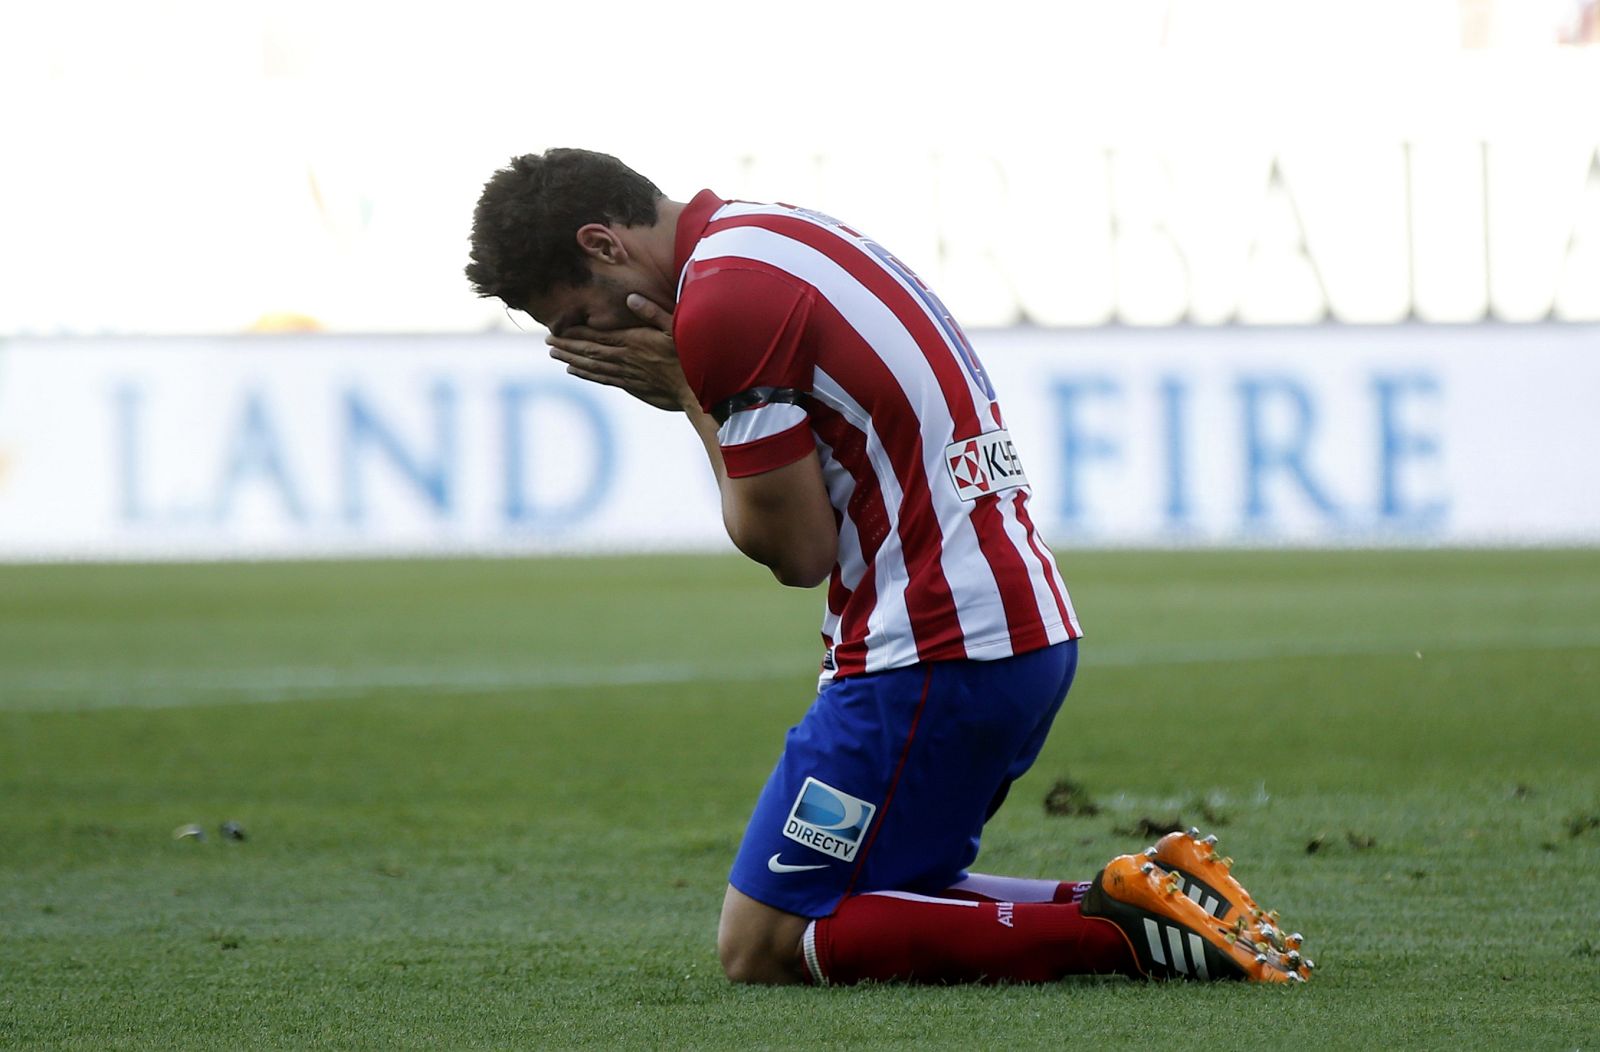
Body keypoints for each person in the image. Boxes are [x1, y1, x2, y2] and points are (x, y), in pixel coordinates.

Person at [465, 148, 1310, 986]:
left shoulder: (719, 307)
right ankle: (1153, 897)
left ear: (604, 245)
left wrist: (689, 389)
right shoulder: (765, 236)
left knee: (762, 942)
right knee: (885, 896)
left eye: (575, 321)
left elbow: (795, 552)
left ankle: (1126, 934)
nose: (589, 347)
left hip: (928, 650)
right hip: (1008, 632)